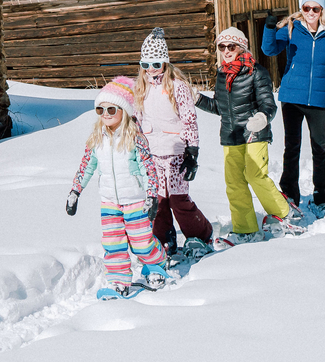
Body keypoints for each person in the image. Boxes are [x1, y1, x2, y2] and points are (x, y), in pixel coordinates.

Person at [66, 76, 174, 298]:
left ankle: (157, 263)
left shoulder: (135, 137)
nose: (105, 114)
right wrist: (75, 191)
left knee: (142, 241)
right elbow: (86, 166)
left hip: (134, 199)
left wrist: (152, 196)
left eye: (111, 109)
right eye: (100, 109)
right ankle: (118, 280)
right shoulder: (97, 138)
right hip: (109, 201)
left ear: (124, 111)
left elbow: (148, 169)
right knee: (113, 243)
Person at [194, 26, 302, 241]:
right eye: (222, 46)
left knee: (255, 175)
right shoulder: (222, 74)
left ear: (241, 47)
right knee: (234, 183)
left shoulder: (257, 71)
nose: (226, 50)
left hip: (254, 132)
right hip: (230, 134)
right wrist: (198, 99)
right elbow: (220, 108)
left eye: (230, 46)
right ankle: (246, 229)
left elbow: (268, 104)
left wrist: (263, 117)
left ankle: (284, 212)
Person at [262, 0, 325, 208]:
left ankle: (322, 195)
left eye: (315, 8)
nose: (310, 12)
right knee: (292, 146)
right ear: (302, 9)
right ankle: (290, 194)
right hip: (291, 97)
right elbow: (269, 49)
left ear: (321, 11)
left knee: (320, 148)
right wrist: (270, 28)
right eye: (306, 8)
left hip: (319, 100)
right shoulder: (292, 29)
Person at [132, 28, 216, 258]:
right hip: (152, 156)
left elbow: (189, 119)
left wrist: (192, 153)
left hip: (177, 153)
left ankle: (201, 234)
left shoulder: (177, 86)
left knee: (179, 200)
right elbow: (137, 121)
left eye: (156, 64)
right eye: (145, 64)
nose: (151, 70)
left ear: (165, 63)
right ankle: (164, 239)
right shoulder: (139, 88)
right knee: (158, 202)